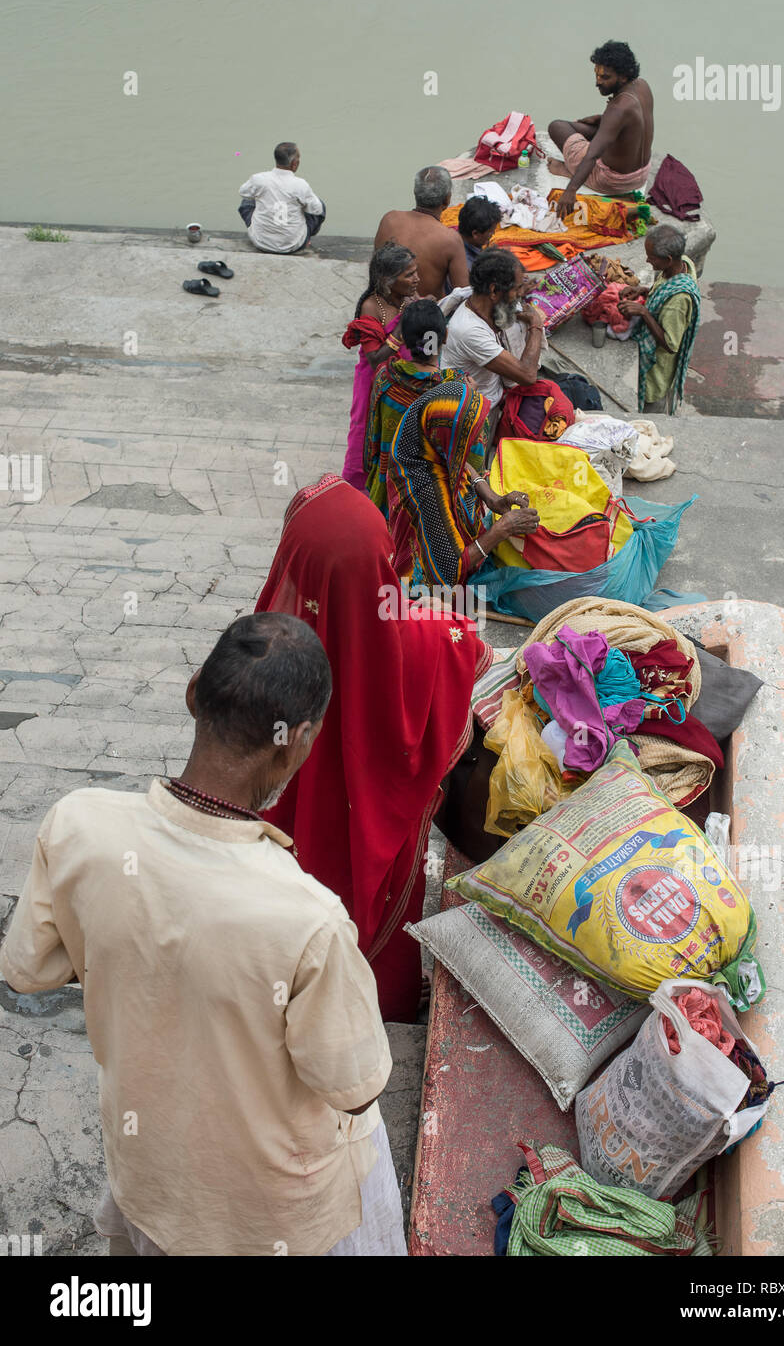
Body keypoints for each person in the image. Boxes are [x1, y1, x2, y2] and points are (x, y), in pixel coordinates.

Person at [0, 613, 407, 1257]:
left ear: (193, 691)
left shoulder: (76, 825)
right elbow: (354, 1089)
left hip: (149, 1174)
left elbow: (29, 969)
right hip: (268, 1222)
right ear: (296, 739)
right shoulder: (309, 918)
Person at [255, 476, 494, 1023]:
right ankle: (375, 1002)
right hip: (363, 823)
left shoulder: (262, 652)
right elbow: (458, 644)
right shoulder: (403, 644)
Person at [387, 377, 539, 589]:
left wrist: (491, 497)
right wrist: (502, 529)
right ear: (445, 436)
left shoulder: (421, 437)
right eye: (467, 438)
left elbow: (463, 463)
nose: (475, 443)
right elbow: (449, 569)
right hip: (427, 592)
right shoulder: (426, 492)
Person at [365, 298, 464, 512]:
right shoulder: (458, 389)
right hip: (434, 498)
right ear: (444, 336)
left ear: (404, 340)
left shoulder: (385, 377)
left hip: (388, 492)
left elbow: (373, 437)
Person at [341, 243, 419, 491]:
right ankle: (358, 489)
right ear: (388, 280)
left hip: (404, 381)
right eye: (409, 275)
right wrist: (401, 328)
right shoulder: (371, 307)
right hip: (373, 385)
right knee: (364, 432)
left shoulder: (409, 299)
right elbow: (375, 358)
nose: (417, 279)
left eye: (416, 272)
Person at [549, 41, 654, 215]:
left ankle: (567, 170)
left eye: (605, 78)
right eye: (597, 75)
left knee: (557, 126)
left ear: (623, 76)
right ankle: (578, 166)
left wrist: (570, 191)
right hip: (641, 174)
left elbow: (593, 155)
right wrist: (603, 119)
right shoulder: (643, 86)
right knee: (582, 126)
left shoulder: (618, 109)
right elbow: (634, 123)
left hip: (612, 181)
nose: (598, 82)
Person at [439, 249, 546, 419]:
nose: (519, 294)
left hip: (498, 394)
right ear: (494, 291)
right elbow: (527, 375)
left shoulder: (485, 304)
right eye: (516, 288)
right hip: (480, 415)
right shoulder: (469, 330)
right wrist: (536, 324)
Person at [619, 224, 701, 414]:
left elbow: (671, 345)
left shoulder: (678, 301)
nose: (647, 260)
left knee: (648, 420)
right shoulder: (684, 263)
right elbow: (665, 287)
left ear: (668, 259)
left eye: (652, 257)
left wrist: (644, 313)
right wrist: (644, 291)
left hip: (656, 375)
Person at [374, 166, 469, 299]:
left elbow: (375, 271)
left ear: (415, 193)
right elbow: (464, 294)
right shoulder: (450, 239)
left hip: (383, 306)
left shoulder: (389, 219)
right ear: (447, 200)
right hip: (422, 315)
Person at [238, 141, 326, 254]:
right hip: (293, 245)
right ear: (294, 163)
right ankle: (306, 237)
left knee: (247, 201)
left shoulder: (259, 179)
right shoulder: (300, 185)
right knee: (319, 204)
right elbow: (317, 210)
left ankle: (262, 230)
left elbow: (243, 192)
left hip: (260, 242)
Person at [456, 196, 502, 270]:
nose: (493, 234)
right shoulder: (469, 266)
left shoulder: (456, 236)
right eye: (490, 232)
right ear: (475, 234)